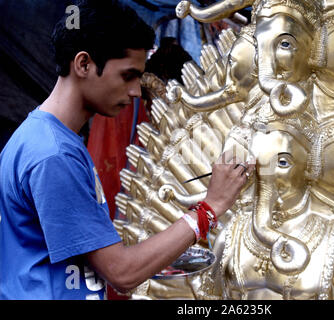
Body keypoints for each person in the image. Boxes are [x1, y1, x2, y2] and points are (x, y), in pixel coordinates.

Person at [0, 0, 254, 300]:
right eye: (128, 75)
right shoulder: (53, 154)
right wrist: (210, 208)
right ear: (84, 64)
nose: (136, 91)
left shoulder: (45, 138)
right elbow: (122, 273)